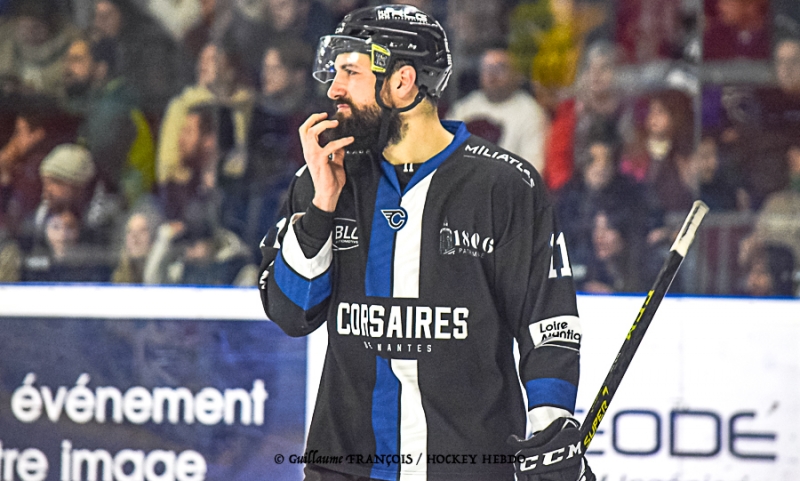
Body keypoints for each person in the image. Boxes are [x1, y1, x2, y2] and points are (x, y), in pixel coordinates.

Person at [257, 5, 592, 481]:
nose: (333, 89)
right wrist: (321, 208)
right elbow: (292, 314)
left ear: (402, 81)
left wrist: (551, 428)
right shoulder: (323, 177)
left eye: (351, 72)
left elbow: (547, 323)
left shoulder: (504, 185)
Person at [447, 45, 548, 172]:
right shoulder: (463, 108)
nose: (492, 74)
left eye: (500, 68)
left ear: (517, 74)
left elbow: (532, 168)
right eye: (487, 68)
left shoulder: (531, 113)